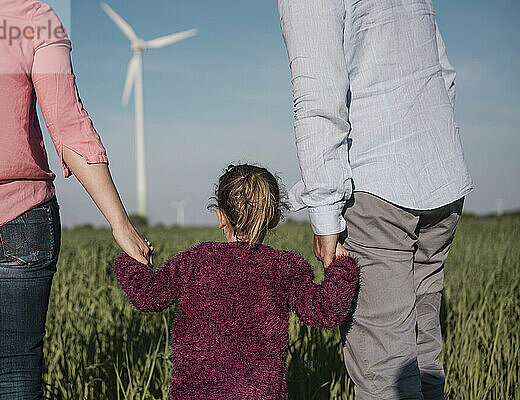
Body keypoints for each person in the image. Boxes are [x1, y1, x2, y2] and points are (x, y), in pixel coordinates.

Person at [0, 1, 152, 398]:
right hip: (19, 219)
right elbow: (69, 126)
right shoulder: (34, 17)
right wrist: (120, 223)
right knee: (16, 372)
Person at [279, 0, 473, 399]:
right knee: (424, 362)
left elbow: (318, 99)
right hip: (442, 176)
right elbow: (444, 74)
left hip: (377, 187)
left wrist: (325, 214)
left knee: (387, 378)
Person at [112, 164, 359, 399]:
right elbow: (325, 311)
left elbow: (147, 296)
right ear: (273, 218)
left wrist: (132, 260)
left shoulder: (195, 260)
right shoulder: (284, 267)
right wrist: (342, 266)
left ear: (220, 216)